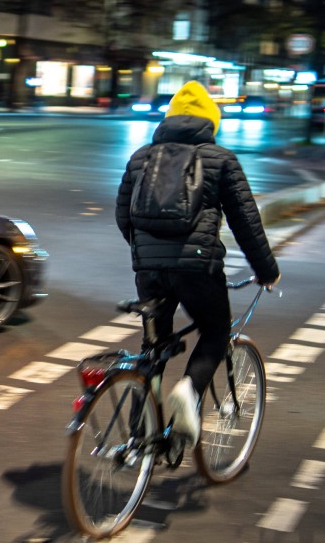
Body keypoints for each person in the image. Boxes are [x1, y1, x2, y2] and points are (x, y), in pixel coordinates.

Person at [115, 81, 281, 448]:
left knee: (153, 345)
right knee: (216, 331)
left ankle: (139, 432)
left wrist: (145, 255)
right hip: (197, 269)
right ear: (210, 122)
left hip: (148, 271)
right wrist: (267, 270)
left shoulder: (141, 157)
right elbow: (246, 223)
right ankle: (189, 394)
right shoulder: (220, 159)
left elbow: (123, 215)